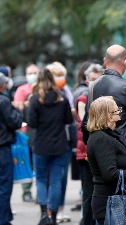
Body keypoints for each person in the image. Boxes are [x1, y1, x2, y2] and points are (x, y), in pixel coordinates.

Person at [86, 96, 126, 224]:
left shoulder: (113, 134)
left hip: (123, 201)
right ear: (108, 116)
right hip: (111, 203)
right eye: (116, 109)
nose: (120, 111)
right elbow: (110, 173)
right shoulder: (101, 138)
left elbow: (124, 161)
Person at [27, 68, 73, 225]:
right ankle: (53, 216)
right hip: (59, 145)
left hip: (40, 145)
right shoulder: (62, 98)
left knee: (40, 179)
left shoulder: (35, 100)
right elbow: (68, 120)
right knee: (55, 181)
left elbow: (31, 123)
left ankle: (43, 214)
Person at [46, 61, 76, 223]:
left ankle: (59, 209)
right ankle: (50, 210)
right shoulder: (41, 94)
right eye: (56, 75)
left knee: (61, 177)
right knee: (50, 177)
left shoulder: (66, 92)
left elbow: (71, 117)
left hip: (64, 139)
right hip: (47, 142)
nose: (60, 78)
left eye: (61, 75)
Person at [75, 63, 103, 225]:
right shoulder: (83, 99)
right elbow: (84, 127)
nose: (95, 82)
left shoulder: (108, 99)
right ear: (86, 81)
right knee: (88, 193)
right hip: (86, 153)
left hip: (100, 153)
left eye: (98, 79)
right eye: (92, 79)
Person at [14, 63, 40, 203]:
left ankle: (39, 191)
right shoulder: (21, 90)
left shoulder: (41, 89)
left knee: (38, 162)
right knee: (26, 161)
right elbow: (17, 110)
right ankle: (26, 191)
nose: (32, 75)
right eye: (30, 73)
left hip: (38, 131)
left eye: (34, 72)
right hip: (25, 131)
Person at [0, 72, 23, 225]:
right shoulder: (3, 101)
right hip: (2, 148)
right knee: (4, 186)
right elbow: (14, 122)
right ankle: (3, 219)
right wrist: (18, 111)